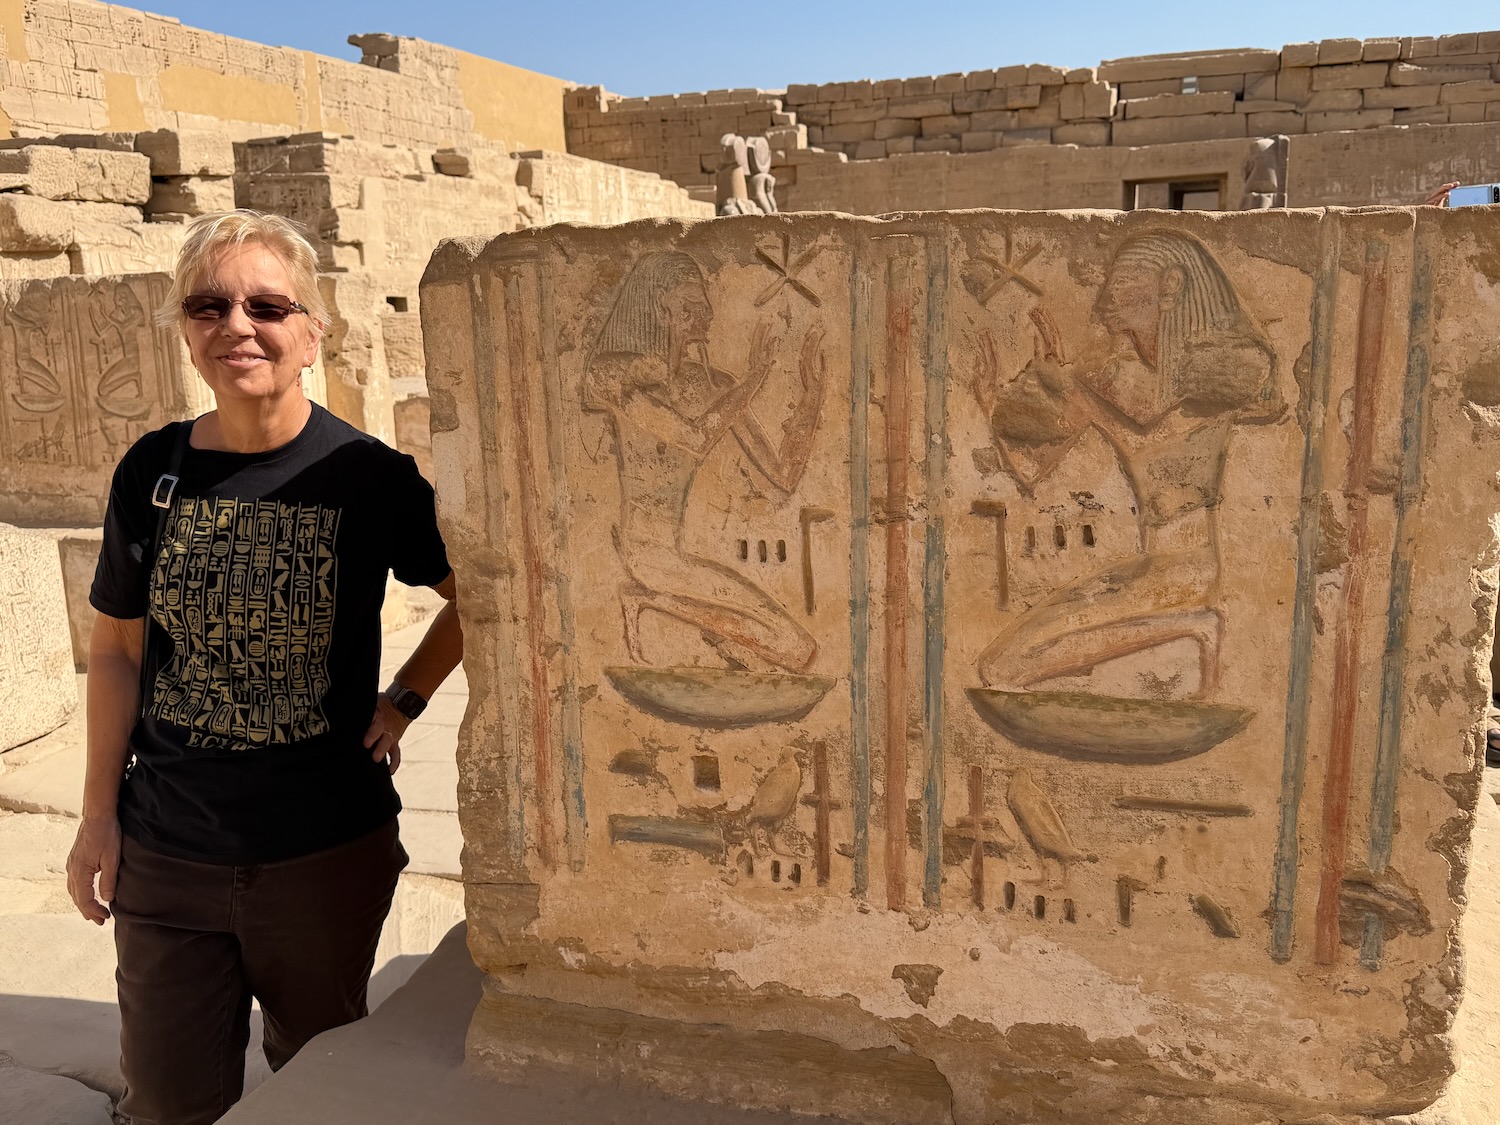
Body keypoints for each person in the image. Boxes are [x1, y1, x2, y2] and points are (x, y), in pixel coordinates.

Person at [64, 210, 463, 1125]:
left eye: (267, 306)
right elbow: (117, 648)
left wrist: (405, 698)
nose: (236, 325)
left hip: (321, 856)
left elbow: (479, 596)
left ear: (313, 332)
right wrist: (97, 818)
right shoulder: (152, 471)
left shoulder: (368, 475)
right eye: (208, 306)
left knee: (319, 1089)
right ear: (186, 332)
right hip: (168, 850)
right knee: (167, 1101)